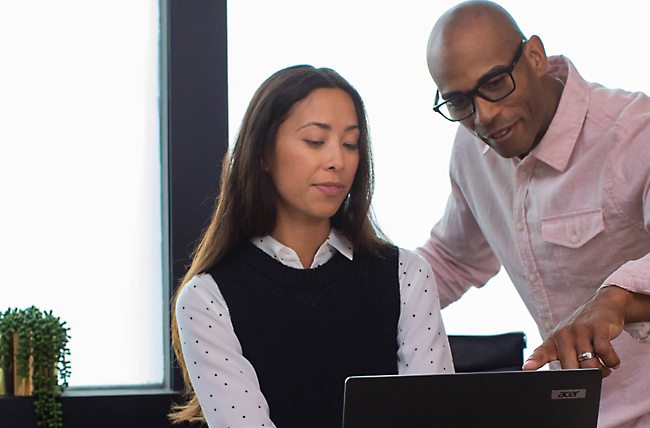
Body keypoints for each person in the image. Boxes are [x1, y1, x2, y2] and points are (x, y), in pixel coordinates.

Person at [416, 2, 650, 427]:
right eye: (459, 101)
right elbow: (453, 258)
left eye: (495, 84)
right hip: (585, 418)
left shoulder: (631, 130)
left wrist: (617, 300)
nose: (483, 115)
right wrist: (351, 293)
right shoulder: (474, 150)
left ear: (535, 58)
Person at [168, 65, 453, 428]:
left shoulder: (406, 275)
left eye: (350, 144)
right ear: (262, 154)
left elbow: (436, 414)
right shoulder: (207, 298)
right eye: (316, 141)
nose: (337, 160)